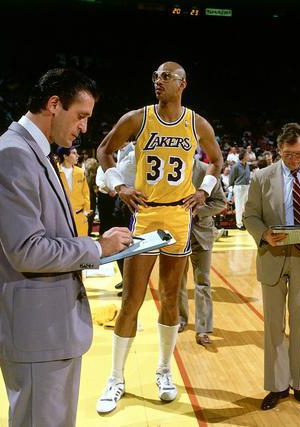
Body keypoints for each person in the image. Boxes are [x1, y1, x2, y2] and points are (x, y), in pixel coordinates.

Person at [0, 68, 132, 427]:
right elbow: (27, 250)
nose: (84, 127)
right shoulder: (12, 154)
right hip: (36, 329)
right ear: (53, 104)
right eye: (81, 116)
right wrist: (97, 248)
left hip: (48, 327)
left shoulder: (32, 151)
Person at [96, 61, 223, 413]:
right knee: (132, 301)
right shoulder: (138, 118)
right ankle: (116, 377)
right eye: (155, 76)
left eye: (166, 76)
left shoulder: (197, 123)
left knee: (170, 299)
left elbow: (216, 160)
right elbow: (103, 150)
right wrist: (118, 185)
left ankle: (164, 370)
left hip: (180, 217)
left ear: (182, 84)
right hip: (147, 214)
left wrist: (204, 190)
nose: (158, 81)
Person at [243, 123, 300, 411]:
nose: (293, 160)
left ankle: (298, 382)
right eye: (287, 154)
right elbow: (250, 216)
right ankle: (277, 386)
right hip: (272, 255)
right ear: (278, 150)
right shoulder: (261, 176)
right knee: (274, 325)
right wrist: (264, 234)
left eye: (298, 154)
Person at [178, 160, 226, 345]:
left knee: (203, 282)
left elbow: (220, 202)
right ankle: (180, 319)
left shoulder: (207, 170)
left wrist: (198, 210)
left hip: (202, 233)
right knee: (177, 280)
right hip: (176, 233)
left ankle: (203, 329)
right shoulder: (168, 167)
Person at [57, 146, 92, 237]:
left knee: (82, 242)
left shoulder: (80, 172)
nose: (77, 156)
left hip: (79, 215)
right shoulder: (56, 171)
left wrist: (86, 211)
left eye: (77, 153)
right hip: (62, 216)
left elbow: (86, 193)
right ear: (65, 156)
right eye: (74, 153)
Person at [229, 148, 251, 229]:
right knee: (239, 206)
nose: (248, 156)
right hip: (239, 187)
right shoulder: (236, 166)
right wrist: (231, 188)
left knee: (246, 206)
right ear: (243, 156)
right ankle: (239, 224)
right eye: (247, 155)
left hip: (247, 186)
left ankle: (245, 222)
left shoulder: (247, 165)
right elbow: (231, 178)